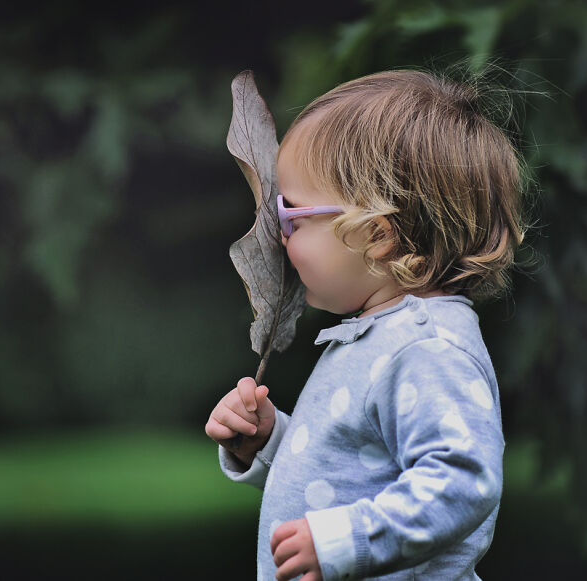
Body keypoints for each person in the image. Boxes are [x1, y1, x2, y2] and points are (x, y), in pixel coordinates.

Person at [205, 69, 525, 581]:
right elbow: (348, 470)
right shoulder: (378, 336)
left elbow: (463, 481)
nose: (279, 237)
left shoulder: (427, 347)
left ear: (377, 235)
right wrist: (269, 443)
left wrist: (346, 541)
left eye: (292, 218)